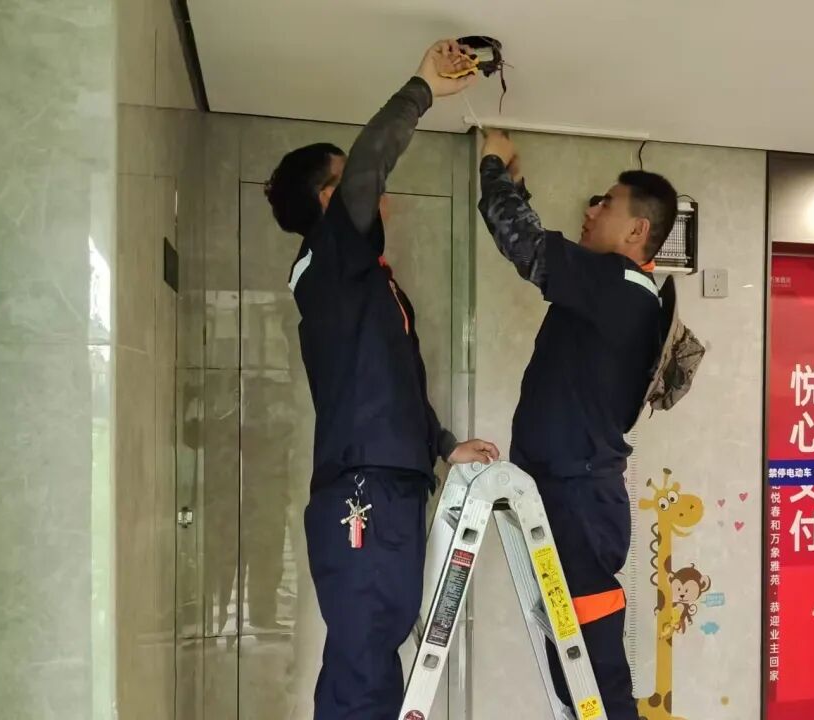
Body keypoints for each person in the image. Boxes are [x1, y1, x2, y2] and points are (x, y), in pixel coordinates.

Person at [265, 40, 499, 720]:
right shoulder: (329, 261)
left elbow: (396, 385)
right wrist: (422, 88)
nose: (373, 189)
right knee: (365, 658)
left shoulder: (364, 283)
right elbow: (371, 161)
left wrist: (444, 445)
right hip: (363, 491)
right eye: (348, 182)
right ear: (330, 200)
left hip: (387, 485)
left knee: (376, 650)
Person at [478, 129, 679, 720]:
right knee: (578, 674)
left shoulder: (618, 285)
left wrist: (492, 164)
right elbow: (533, 241)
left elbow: (524, 244)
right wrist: (514, 185)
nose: (591, 212)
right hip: (570, 493)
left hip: (578, 498)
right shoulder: (614, 290)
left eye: (605, 204)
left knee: (596, 677)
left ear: (637, 231)